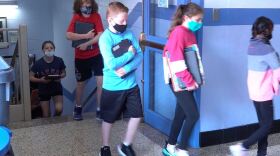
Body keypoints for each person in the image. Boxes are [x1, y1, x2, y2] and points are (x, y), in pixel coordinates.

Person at [229, 16, 280, 156]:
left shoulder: (252, 44)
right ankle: (243, 146)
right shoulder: (266, 48)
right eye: (271, 29)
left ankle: (261, 153)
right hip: (264, 92)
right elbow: (278, 70)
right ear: (266, 30)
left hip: (254, 91)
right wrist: (276, 88)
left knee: (263, 125)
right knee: (268, 125)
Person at [98, 2, 143, 156]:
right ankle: (105, 147)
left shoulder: (129, 33)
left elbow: (140, 55)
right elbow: (111, 63)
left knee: (136, 115)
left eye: (126, 20)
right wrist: (129, 54)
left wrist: (127, 68)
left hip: (131, 85)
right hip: (112, 87)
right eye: (121, 21)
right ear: (110, 20)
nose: (125, 24)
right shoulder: (105, 39)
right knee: (108, 119)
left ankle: (125, 145)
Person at [161, 3, 204, 156]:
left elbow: (191, 58)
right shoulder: (179, 33)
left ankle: (170, 147)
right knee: (193, 115)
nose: (200, 23)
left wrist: (196, 78)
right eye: (198, 20)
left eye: (201, 20)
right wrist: (190, 81)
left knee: (182, 113)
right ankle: (181, 149)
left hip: (187, 79)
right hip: (179, 80)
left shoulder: (189, 33)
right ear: (186, 18)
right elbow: (177, 62)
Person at [66, 0, 104, 121]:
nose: (86, 7)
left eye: (88, 4)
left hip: (96, 55)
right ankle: (78, 108)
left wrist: (87, 44)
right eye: (83, 5)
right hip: (80, 57)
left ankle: (99, 109)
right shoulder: (76, 17)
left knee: (100, 82)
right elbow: (68, 35)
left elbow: (100, 35)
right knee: (80, 84)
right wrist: (85, 36)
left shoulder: (96, 16)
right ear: (79, 5)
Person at [30, 41, 66, 118]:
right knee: (46, 115)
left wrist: (59, 77)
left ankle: (54, 121)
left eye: (51, 48)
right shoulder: (38, 63)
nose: (49, 49)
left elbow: (64, 73)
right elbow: (30, 77)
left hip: (56, 88)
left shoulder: (59, 60)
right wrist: (41, 80)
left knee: (59, 109)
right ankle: (49, 126)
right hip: (43, 89)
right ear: (43, 50)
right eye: (46, 48)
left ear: (54, 49)